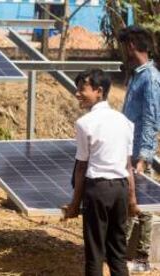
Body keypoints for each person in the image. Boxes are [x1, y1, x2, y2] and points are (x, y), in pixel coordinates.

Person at [64, 69, 139, 276]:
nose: (77, 93)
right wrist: (132, 201)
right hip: (121, 189)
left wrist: (74, 204)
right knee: (117, 251)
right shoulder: (124, 121)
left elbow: (81, 167)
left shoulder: (85, 123)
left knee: (95, 252)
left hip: (98, 190)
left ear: (98, 91)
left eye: (82, 89)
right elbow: (127, 165)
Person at [119, 26, 159, 272]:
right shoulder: (137, 74)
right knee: (130, 202)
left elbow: (151, 119)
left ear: (132, 45)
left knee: (141, 204)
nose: (124, 51)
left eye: (125, 46)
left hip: (137, 151)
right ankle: (123, 253)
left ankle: (142, 259)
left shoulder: (151, 78)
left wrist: (143, 157)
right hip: (127, 147)